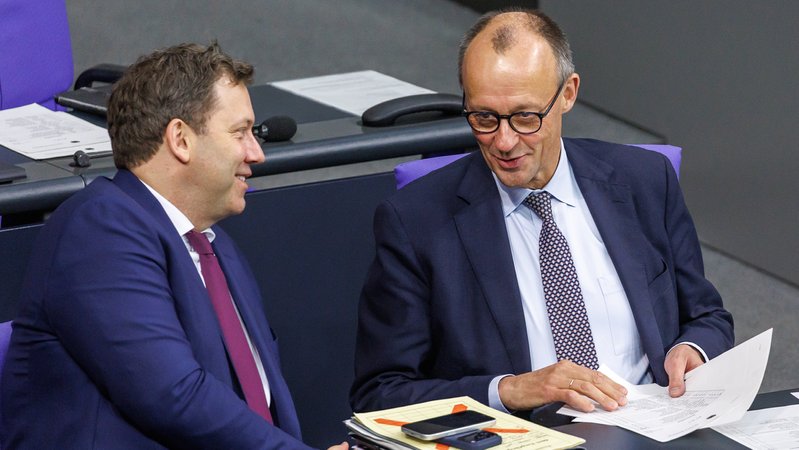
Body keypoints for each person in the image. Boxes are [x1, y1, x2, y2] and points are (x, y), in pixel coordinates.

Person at [350, 8, 734, 424]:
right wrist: (511, 390)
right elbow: (380, 393)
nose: (504, 141)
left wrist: (693, 350)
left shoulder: (643, 180)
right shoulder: (416, 221)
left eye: (525, 117)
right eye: (483, 118)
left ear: (568, 94)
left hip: (652, 425)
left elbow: (706, 316)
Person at [1, 42, 347, 450]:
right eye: (240, 132)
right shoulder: (100, 230)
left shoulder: (215, 247)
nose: (257, 153)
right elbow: (173, 395)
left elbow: (260, 400)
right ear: (180, 139)